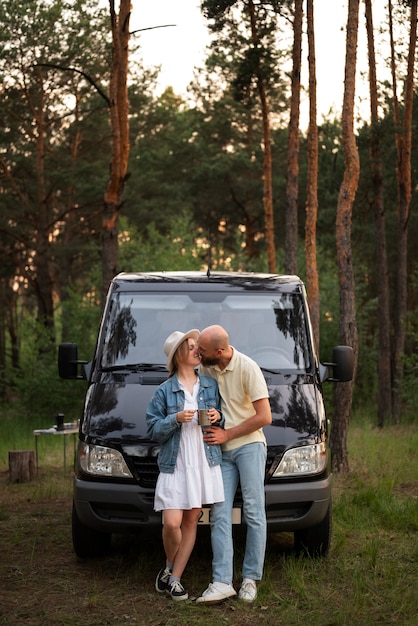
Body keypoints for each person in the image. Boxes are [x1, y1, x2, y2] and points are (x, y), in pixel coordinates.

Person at [146, 329, 224, 601]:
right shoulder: (164, 391)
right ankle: (168, 567)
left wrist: (217, 415)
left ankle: (175, 578)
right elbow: (152, 430)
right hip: (175, 462)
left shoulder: (210, 385)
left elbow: (222, 416)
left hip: (202, 460)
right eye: (190, 346)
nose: (197, 350)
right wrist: (175, 418)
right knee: (171, 523)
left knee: (191, 520)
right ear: (178, 354)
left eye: (196, 346)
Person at [196, 325, 272, 604]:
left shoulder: (248, 368)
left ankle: (251, 579)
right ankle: (222, 581)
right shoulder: (207, 366)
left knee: (254, 511)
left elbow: (265, 416)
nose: (199, 355)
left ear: (219, 351)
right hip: (222, 452)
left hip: (250, 446)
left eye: (202, 351)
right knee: (219, 513)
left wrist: (227, 433)